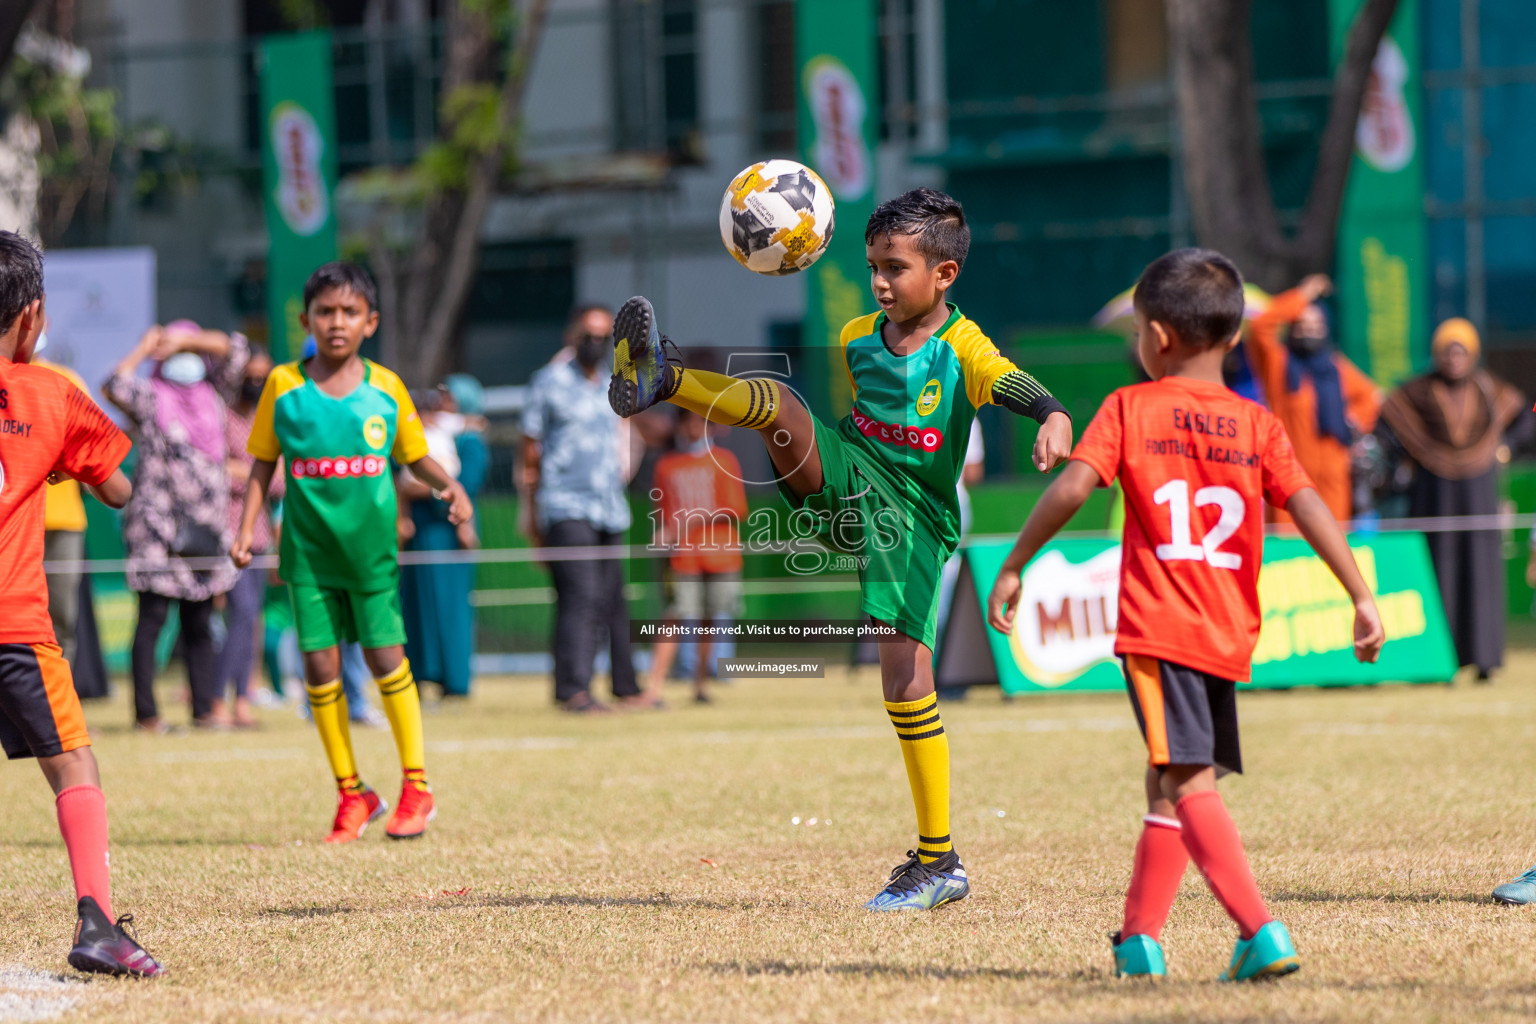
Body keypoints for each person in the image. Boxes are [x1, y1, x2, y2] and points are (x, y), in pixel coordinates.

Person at [608, 187, 1074, 909]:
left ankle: (938, 861)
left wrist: (1049, 411)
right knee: (784, 407)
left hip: (914, 519)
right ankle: (664, 378)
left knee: (905, 685)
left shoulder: (962, 344)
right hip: (848, 478)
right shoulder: (859, 334)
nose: (881, 282)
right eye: (872, 266)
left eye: (895, 267)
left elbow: (1004, 377)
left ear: (944, 276)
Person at [987, 248, 1384, 980]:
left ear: (1157, 338)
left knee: (1187, 780)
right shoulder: (1256, 423)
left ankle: (1260, 929)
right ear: (1233, 339)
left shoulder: (1130, 408)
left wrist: (1013, 564)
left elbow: (1074, 489)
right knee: (1165, 777)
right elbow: (1308, 505)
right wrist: (1360, 595)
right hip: (1227, 629)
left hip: (1159, 627)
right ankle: (1139, 941)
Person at [232, 262, 472, 844]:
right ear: (306, 320)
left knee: (385, 656)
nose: (336, 323)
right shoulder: (284, 387)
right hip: (308, 553)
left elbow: (415, 456)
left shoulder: (386, 388)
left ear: (371, 321)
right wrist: (246, 528)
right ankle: (352, 793)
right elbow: (262, 462)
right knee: (318, 665)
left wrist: (450, 486)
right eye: (325, 312)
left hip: (371, 553)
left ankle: (417, 785)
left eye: (349, 312)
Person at [0, 230, 163, 976]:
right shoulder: (51, 393)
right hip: (15, 625)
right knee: (75, 767)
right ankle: (98, 922)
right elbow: (120, 487)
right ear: (32, 315)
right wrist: (62, 469)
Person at [104, 320, 247, 732]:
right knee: (151, 620)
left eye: (188, 352)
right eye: (175, 352)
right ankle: (146, 714)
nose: (183, 359)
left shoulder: (215, 395)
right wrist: (145, 347)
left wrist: (189, 338)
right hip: (157, 530)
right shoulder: (151, 397)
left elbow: (236, 348)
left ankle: (204, 708)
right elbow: (114, 383)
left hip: (204, 529)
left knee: (200, 622)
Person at [1379, 318, 1530, 684]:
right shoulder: (1416, 392)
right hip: (1433, 498)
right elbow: (1387, 425)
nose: (1454, 358)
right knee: (1437, 572)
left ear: (1473, 353)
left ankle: (1484, 660)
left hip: (1479, 495)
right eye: (1448, 351)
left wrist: (1507, 447)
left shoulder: (1489, 388)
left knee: (1482, 574)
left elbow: (1527, 416)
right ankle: (1438, 661)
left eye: (1461, 351)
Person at [524, 304, 648, 713]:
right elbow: (529, 454)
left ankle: (626, 688)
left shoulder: (613, 384)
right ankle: (573, 689)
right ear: (571, 336)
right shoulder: (548, 383)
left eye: (602, 336)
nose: (595, 343)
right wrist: (532, 516)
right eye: (588, 335)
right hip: (565, 504)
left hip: (608, 505)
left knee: (613, 597)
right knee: (580, 596)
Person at [1245, 273, 1380, 523]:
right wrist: (1302, 295)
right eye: (1302, 326)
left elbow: (1369, 396)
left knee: (1333, 540)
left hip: (1333, 472)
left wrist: (1354, 422)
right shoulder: (1279, 365)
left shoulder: (1335, 368)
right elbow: (1259, 326)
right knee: (1291, 552)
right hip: (1290, 472)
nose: (1309, 331)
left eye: (1316, 326)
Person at [645, 407, 748, 705]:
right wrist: (666, 535)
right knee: (674, 615)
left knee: (710, 620)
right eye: (688, 422)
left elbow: (735, 509)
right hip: (683, 558)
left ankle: (700, 686)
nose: (693, 428)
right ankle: (654, 687)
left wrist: (689, 522)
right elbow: (663, 513)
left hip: (720, 555)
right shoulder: (666, 465)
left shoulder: (725, 461)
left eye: (700, 422)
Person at [399, 376, 489, 700]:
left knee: (451, 608)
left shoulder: (469, 440)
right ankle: (422, 673)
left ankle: (454, 679)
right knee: (417, 605)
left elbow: (463, 484)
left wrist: (425, 487)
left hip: (450, 531)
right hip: (420, 534)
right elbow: (405, 477)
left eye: (448, 398)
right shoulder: (429, 434)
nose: (441, 405)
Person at [214, 345, 282, 727]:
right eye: (251, 377)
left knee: (250, 618)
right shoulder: (221, 418)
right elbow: (213, 467)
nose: (256, 384)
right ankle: (217, 699)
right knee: (238, 616)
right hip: (225, 534)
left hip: (259, 536)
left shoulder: (267, 422)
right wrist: (255, 474)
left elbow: (281, 481)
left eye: (263, 378)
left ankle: (242, 698)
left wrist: (247, 472)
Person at [34, 343, 92, 666]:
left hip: (64, 521)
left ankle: (60, 705)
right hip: (11, 521)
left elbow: (94, 443)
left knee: (62, 620)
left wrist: (67, 468)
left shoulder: (65, 380)